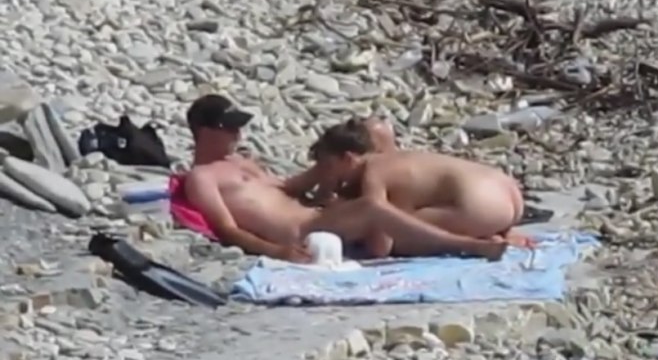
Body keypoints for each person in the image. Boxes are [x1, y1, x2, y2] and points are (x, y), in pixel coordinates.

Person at [181, 95, 509, 262]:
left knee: (392, 201)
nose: (238, 134)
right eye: (230, 127)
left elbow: (286, 188)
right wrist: (276, 252)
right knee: (374, 209)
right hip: (300, 231)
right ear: (205, 131)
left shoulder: (244, 164)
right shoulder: (201, 178)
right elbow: (227, 229)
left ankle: (483, 230)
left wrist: (329, 167)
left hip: (319, 217)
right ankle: (470, 246)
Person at [308, 119, 532, 259]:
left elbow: (381, 247)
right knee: (406, 216)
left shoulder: (372, 172)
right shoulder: (397, 158)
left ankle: (480, 240)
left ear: (348, 158)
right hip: (507, 191)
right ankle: (494, 231)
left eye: (329, 167)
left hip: (479, 205)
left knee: (404, 232)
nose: (327, 175)